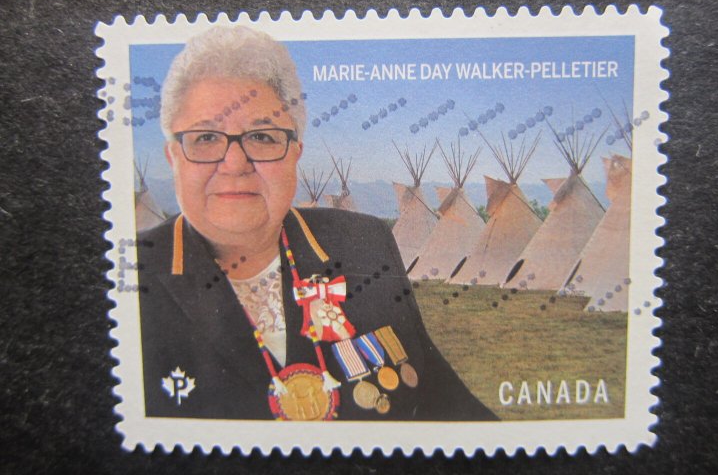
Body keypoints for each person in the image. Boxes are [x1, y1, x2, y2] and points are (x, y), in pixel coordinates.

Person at [136, 26, 496, 421]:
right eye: (205, 137)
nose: (235, 164)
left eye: (262, 137)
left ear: (295, 153)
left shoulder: (363, 244)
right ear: (173, 157)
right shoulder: (133, 276)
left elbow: (444, 403)